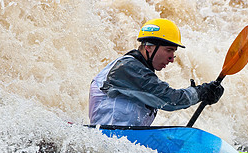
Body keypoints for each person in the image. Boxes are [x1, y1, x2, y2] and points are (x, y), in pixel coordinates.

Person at [89, 18, 224, 126]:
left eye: (174, 52)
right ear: (148, 47)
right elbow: (171, 100)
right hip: (111, 144)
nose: (172, 58)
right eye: (169, 50)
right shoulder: (129, 68)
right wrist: (200, 92)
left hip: (123, 142)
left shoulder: (137, 68)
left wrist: (201, 93)